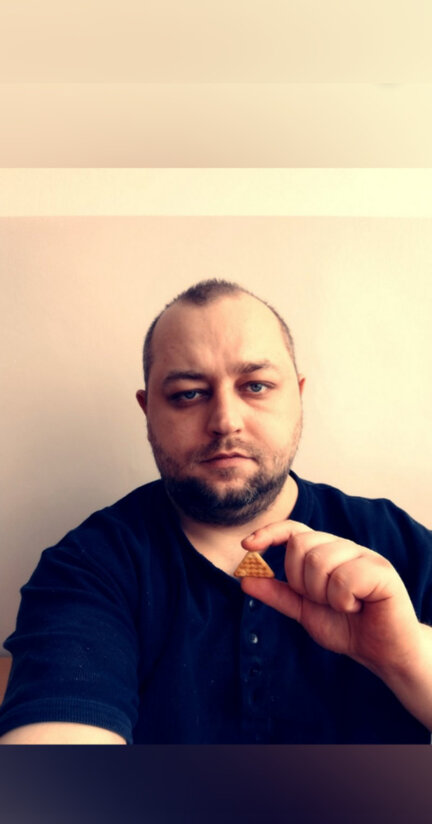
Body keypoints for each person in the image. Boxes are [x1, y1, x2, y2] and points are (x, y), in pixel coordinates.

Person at [0, 278, 431, 744]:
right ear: (148, 410)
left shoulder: (394, 543)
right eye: (188, 393)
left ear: (298, 395)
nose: (226, 421)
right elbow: (55, 777)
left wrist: (405, 657)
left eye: (257, 386)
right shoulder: (89, 566)